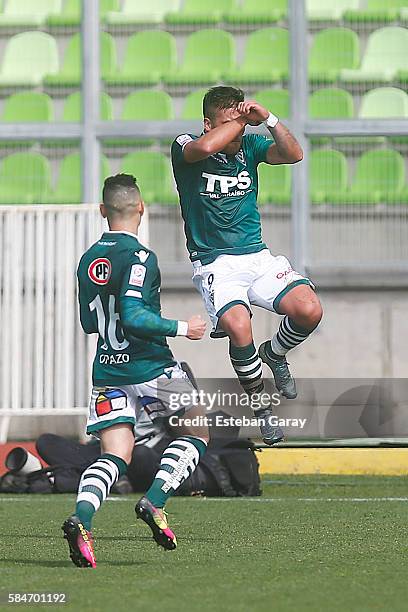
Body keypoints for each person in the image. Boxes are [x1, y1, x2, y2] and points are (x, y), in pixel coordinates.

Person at [62, 174, 208, 568]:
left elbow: (91, 324)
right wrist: (184, 328)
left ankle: (83, 519)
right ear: (141, 208)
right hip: (151, 366)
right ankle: (155, 501)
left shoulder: (88, 258)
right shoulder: (141, 257)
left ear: (102, 211)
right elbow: (134, 315)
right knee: (197, 430)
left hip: (107, 371)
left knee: (115, 455)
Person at [171, 86, 323, 445]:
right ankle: (261, 409)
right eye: (229, 124)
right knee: (239, 328)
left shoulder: (250, 145)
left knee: (309, 310)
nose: (238, 132)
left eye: (240, 124)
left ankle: (276, 353)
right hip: (215, 264)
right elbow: (206, 147)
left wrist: (268, 120)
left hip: (257, 256)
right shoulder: (185, 145)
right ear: (208, 124)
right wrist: (240, 119)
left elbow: (294, 154)